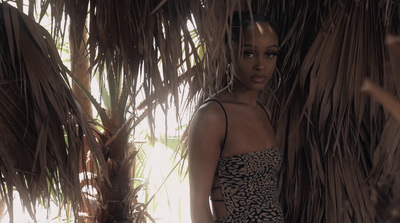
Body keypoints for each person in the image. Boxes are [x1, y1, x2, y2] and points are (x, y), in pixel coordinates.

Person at [188, 11, 284, 223]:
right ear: (229, 52)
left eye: (270, 54)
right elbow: (199, 206)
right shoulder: (212, 117)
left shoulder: (264, 112)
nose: (260, 64)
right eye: (248, 53)